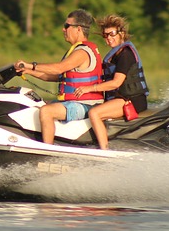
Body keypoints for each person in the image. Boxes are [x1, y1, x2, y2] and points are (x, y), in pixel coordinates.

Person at [13, 9, 103, 144]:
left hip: (85, 104)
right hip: (73, 102)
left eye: (67, 26)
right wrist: (28, 71)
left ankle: (46, 152)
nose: (63, 29)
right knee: (35, 106)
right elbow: (54, 76)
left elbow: (58, 69)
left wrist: (31, 65)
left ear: (78, 29)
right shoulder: (75, 50)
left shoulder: (82, 52)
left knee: (46, 111)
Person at [72, 15, 149, 150]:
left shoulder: (125, 54)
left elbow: (115, 83)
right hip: (122, 98)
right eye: (105, 35)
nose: (109, 38)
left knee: (94, 113)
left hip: (132, 100)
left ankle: (104, 151)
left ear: (122, 33)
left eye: (112, 34)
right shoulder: (116, 54)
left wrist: (89, 88)